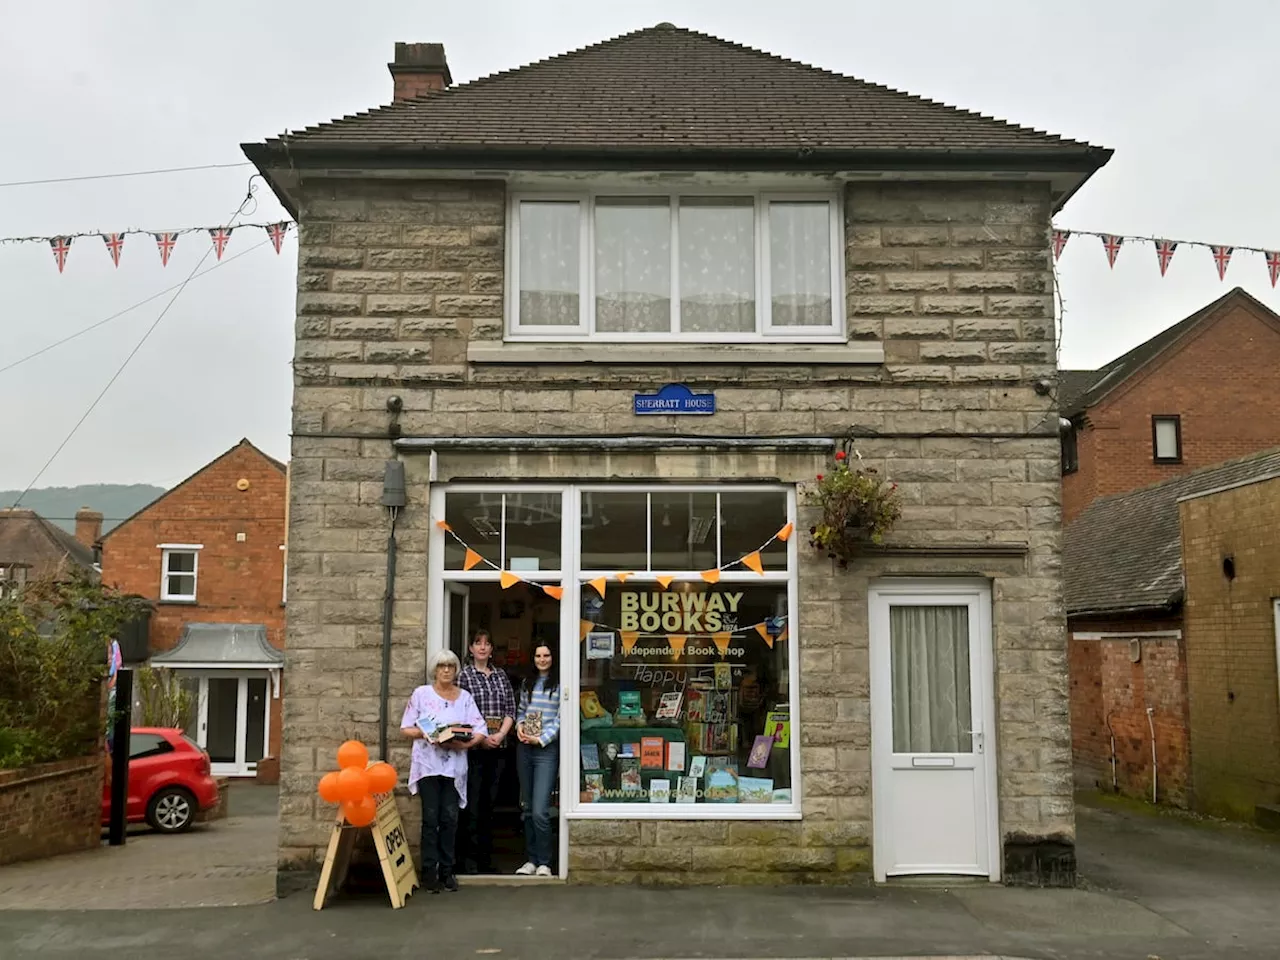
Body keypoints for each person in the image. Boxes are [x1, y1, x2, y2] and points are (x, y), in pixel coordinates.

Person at [400, 649, 486, 893]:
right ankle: (429, 873)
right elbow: (406, 728)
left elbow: (479, 727)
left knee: (449, 818)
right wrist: (428, 734)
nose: (446, 670)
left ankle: (447, 871)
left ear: (456, 670)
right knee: (430, 819)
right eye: (441, 666)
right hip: (428, 765)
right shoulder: (421, 694)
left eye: (450, 666)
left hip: (453, 766)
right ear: (434, 670)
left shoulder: (465, 697)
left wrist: (468, 742)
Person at [456, 630, 516, 874]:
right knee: (472, 804)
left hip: (498, 748)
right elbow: (459, 714)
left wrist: (501, 734)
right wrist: (479, 739)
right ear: (470, 648)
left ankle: (485, 859)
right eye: (477, 643)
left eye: (487, 643)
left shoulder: (501, 676)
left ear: (492, 649)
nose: (482, 647)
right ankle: (467, 861)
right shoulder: (464, 677)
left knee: (489, 806)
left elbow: (511, 709)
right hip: (474, 750)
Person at [514, 643, 560, 877]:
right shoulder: (526, 683)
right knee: (529, 808)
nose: (542, 659)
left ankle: (545, 861)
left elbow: (562, 718)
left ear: (553, 657)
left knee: (542, 810)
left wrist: (541, 739)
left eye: (547, 655)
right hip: (524, 749)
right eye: (538, 655)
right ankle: (531, 860)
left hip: (545, 750)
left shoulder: (561, 684)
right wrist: (520, 727)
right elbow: (521, 711)